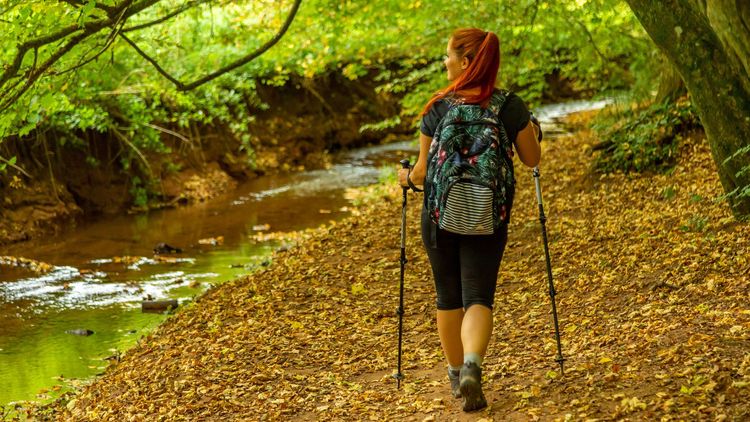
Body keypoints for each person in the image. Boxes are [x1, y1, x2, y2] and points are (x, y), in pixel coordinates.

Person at [398, 28, 541, 412]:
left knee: (448, 297)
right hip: (487, 215)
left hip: (439, 216)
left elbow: (423, 173)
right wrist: (532, 129)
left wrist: (405, 177)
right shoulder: (509, 106)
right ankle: (473, 368)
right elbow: (532, 158)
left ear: (465, 62)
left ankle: (456, 373)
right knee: (478, 296)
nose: (444, 61)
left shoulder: (437, 108)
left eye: (448, 55)